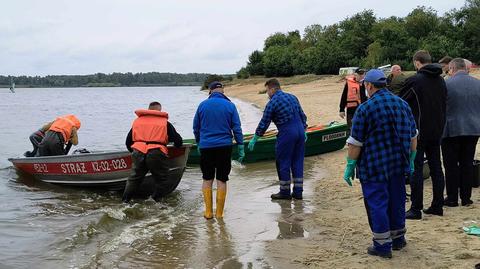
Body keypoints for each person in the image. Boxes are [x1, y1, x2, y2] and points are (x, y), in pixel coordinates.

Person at [344, 69, 418, 258]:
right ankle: (398, 240)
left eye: (365, 86)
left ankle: (382, 246)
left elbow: (355, 143)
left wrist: (350, 166)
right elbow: (413, 136)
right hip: (398, 164)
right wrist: (411, 158)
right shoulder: (402, 104)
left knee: (377, 204)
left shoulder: (365, 109)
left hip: (374, 166)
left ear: (369, 85)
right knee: (397, 201)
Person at [400, 50, 447, 219]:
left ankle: (416, 208)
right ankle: (437, 205)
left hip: (418, 132)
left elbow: (401, 103)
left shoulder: (415, 80)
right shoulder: (441, 80)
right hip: (437, 130)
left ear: (417, 63)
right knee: (436, 167)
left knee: (416, 169)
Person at [249, 79, 307, 200]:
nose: (267, 94)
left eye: (267, 91)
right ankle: (298, 192)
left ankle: (285, 192)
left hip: (287, 132)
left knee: (283, 162)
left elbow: (264, 122)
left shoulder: (273, 102)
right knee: (297, 161)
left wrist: (256, 137)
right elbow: (302, 115)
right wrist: (304, 129)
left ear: (272, 89)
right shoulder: (292, 97)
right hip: (300, 131)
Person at [193, 81, 244, 219]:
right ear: (222, 90)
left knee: (207, 178)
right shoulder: (230, 105)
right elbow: (236, 128)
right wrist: (240, 144)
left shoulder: (202, 105)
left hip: (206, 147)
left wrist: (199, 142)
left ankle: (208, 212)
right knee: (222, 179)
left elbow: (196, 128)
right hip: (224, 147)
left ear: (210, 91)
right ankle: (220, 214)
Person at [123, 101, 183, 203]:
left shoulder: (138, 122)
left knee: (134, 179)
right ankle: (155, 201)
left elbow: (128, 142)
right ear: (159, 111)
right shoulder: (164, 123)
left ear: (148, 110)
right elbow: (178, 141)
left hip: (138, 152)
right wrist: (176, 147)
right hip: (156, 152)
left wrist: (134, 152)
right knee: (162, 179)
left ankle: (125, 201)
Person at [442, 58, 480, 207]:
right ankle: (466, 197)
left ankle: (452, 198)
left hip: (451, 128)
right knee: (467, 163)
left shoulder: (446, 84)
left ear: (452, 68)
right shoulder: (477, 83)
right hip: (473, 128)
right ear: (465, 68)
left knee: (451, 164)